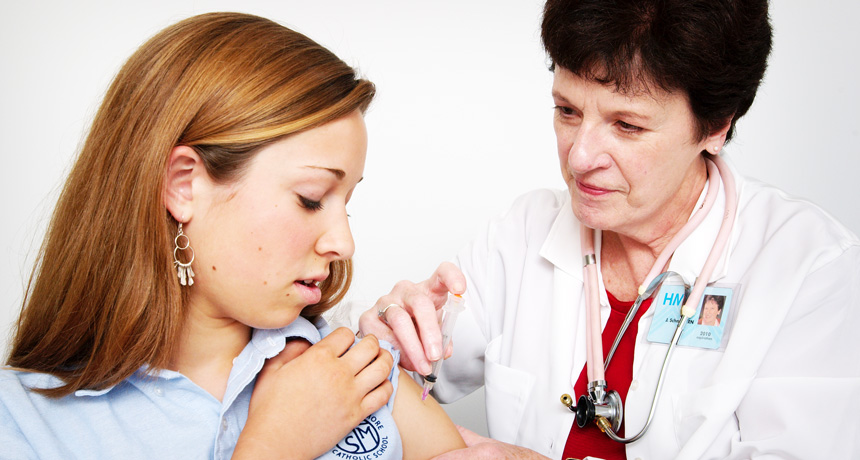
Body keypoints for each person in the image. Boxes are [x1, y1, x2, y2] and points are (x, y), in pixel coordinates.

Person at [358, 0, 860, 459]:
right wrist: (392, 335)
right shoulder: (523, 233)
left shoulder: (808, 266)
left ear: (715, 125)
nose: (579, 157)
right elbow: (406, 385)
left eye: (627, 126)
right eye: (567, 111)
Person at [0, 12, 464, 460]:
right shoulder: (21, 421)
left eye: (347, 203)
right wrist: (274, 447)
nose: (344, 244)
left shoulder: (361, 373)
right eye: (310, 197)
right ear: (184, 185)